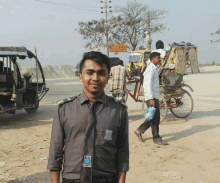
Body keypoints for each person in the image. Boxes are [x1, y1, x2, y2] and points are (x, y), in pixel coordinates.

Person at [47, 51, 129, 183]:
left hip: (106, 178)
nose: (95, 78)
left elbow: (123, 152)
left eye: (101, 73)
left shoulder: (118, 111)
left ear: (108, 78)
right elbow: (55, 154)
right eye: (90, 72)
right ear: (80, 76)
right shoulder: (64, 109)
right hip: (73, 178)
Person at [134, 52, 168, 145]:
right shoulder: (150, 69)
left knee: (153, 117)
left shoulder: (154, 68)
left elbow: (153, 84)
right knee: (154, 117)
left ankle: (140, 131)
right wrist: (150, 99)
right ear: (153, 59)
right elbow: (147, 85)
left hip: (154, 96)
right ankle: (155, 137)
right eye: (158, 58)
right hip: (151, 97)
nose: (159, 60)